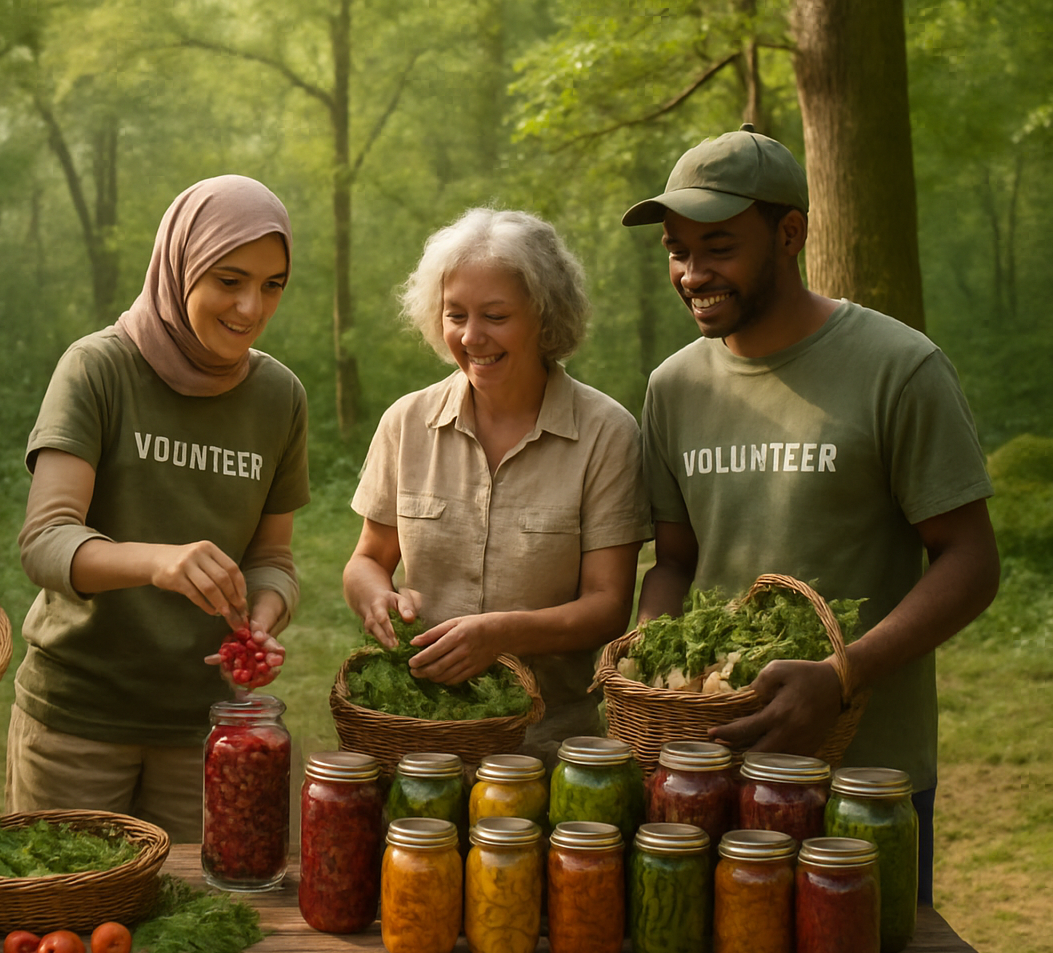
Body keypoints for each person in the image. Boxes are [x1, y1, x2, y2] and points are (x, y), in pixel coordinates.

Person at [624, 125, 1000, 902]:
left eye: (718, 247)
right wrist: (647, 672)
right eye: (676, 250)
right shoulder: (674, 387)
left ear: (789, 233)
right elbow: (677, 562)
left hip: (865, 780)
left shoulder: (899, 368)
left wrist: (841, 674)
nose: (692, 273)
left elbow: (970, 561)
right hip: (715, 776)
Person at [9, 175, 309, 843]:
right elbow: (44, 541)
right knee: (71, 915)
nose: (250, 306)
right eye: (228, 280)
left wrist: (262, 616)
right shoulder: (98, 370)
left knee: (195, 925)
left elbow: (273, 559)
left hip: (207, 727)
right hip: (79, 721)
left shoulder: (279, 397)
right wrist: (158, 562)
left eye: (272, 285)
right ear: (181, 266)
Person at [343, 208, 652, 762]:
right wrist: (376, 597)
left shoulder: (606, 433)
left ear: (545, 315)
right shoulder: (406, 423)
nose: (471, 336)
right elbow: (366, 559)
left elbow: (608, 606)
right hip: (420, 733)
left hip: (548, 744)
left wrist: (499, 635)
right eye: (455, 314)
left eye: (495, 315)